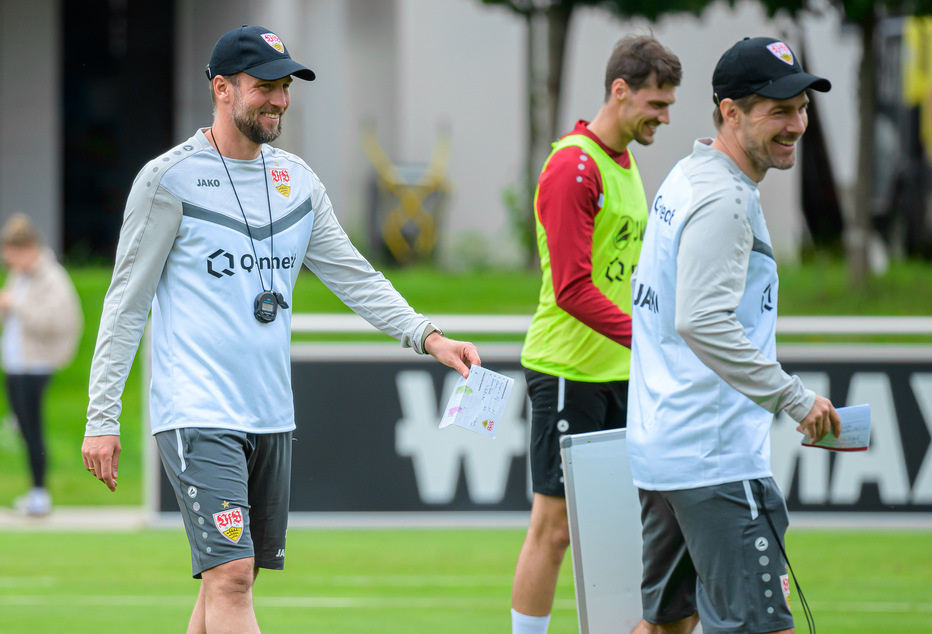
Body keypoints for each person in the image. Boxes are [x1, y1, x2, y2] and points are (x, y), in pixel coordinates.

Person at [81, 25, 480, 633]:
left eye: (286, 86)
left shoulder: (298, 182)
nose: (281, 100)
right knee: (232, 575)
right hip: (197, 410)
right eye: (265, 86)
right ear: (222, 89)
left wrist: (427, 335)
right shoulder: (168, 180)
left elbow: (357, 278)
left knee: (225, 581)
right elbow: (125, 305)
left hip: (270, 414)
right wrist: (102, 416)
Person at [627, 37, 842, 634]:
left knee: (668, 624)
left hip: (668, 451)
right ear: (730, 112)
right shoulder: (722, 200)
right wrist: (793, 398)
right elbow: (700, 319)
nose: (796, 124)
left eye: (801, 107)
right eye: (778, 110)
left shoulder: (689, 176)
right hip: (714, 461)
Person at [513, 35, 682, 634]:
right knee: (553, 529)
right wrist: (651, 339)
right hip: (568, 373)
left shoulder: (625, 163)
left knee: (621, 527)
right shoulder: (572, 165)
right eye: (657, 104)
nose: (665, 116)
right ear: (620, 90)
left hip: (620, 373)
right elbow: (571, 289)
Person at [0, 213, 82, 516]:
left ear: (29, 247)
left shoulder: (51, 277)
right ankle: (34, 490)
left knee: (32, 429)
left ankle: (39, 493)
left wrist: (15, 305)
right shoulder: (19, 276)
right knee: (22, 426)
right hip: (16, 364)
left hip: (36, 365)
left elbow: (57, 321)